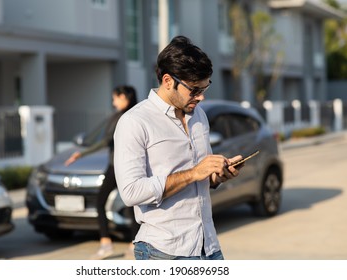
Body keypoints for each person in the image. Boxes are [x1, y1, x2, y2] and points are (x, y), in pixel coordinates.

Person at [113, 36, 243, 260]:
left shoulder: (199, 115)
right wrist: (193, 173)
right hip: (163, 251)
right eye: (194, 90)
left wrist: (217, 176)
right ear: (167, 81)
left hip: (208, 245)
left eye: (205, 88)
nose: (201, 97)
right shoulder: (134, 122)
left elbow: (201, 177)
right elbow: (131, 192)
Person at [65, 85, 139, 260]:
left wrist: (81, 153)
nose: (113, 101)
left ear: (124, 97)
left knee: (131, 204)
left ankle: (133, 243)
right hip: (114, 166)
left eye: (115, 98)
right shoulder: (116, 116)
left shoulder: (128, 117)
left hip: (125, 167)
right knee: (105, 203)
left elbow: (106, 141)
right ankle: (107, 243)